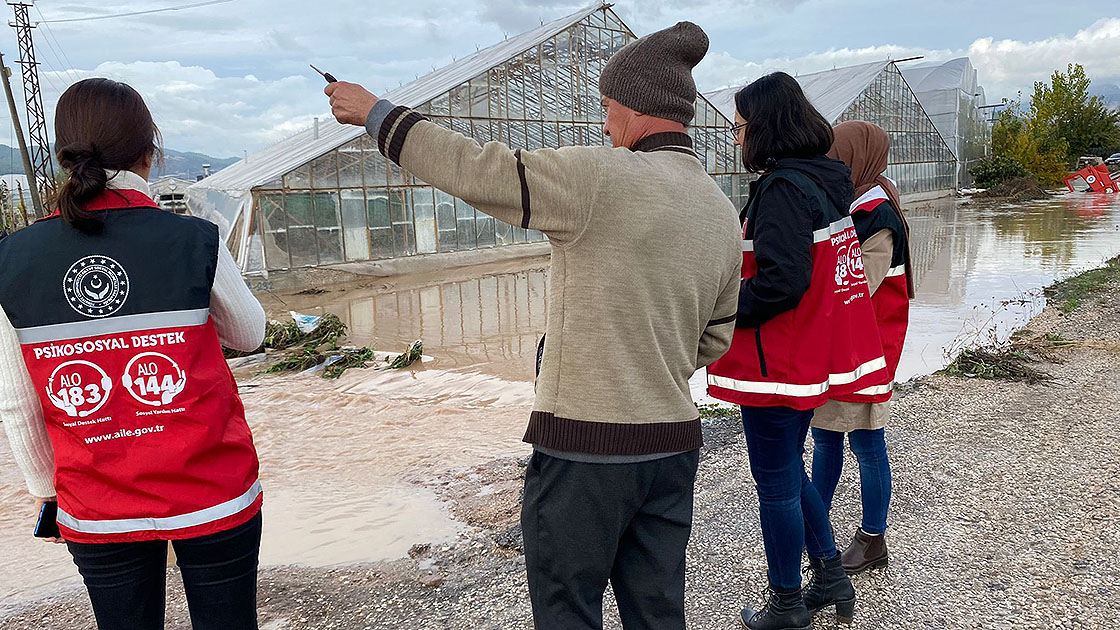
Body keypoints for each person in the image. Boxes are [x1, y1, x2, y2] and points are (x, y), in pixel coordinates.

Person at [325, 21, 742, 630]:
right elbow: (715, 338)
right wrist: (647, 355)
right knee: (656, 614)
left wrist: (376, 114)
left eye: (605, 107)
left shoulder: (598, 178)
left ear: (633, 107)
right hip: (673, 447)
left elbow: (478, 169)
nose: (603, 124)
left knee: (566, 609)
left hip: (586, 449)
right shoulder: (720, 209)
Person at [0, 78, 266, 630]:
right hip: (213, 492)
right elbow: (249, 334)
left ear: (64, 153)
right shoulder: (194, 238)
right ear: (150, 150)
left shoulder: (11, 259)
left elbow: (16, 403)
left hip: (96, 504)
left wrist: (48, 493)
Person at [705, 73, 891, 630]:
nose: (736, 139)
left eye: (740, 128)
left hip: (776, 366)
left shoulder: (785, 188)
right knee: (790, 471)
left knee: (776, 485)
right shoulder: (825, 178)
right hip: (806, 361)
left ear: (766, 128)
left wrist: (720, 308)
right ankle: (831, 575)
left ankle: (787, 601)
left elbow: (782, 282)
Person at [810, 120, 914, 575]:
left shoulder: (877, 216)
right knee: (825, 439)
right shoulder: (849, 207)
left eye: (836, 156)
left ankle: (873, 538)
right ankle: (818, 526)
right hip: (837, 345)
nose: (830, 164)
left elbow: (859, 285)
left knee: (868, 444)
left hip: (866, 350)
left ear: (857, 159)